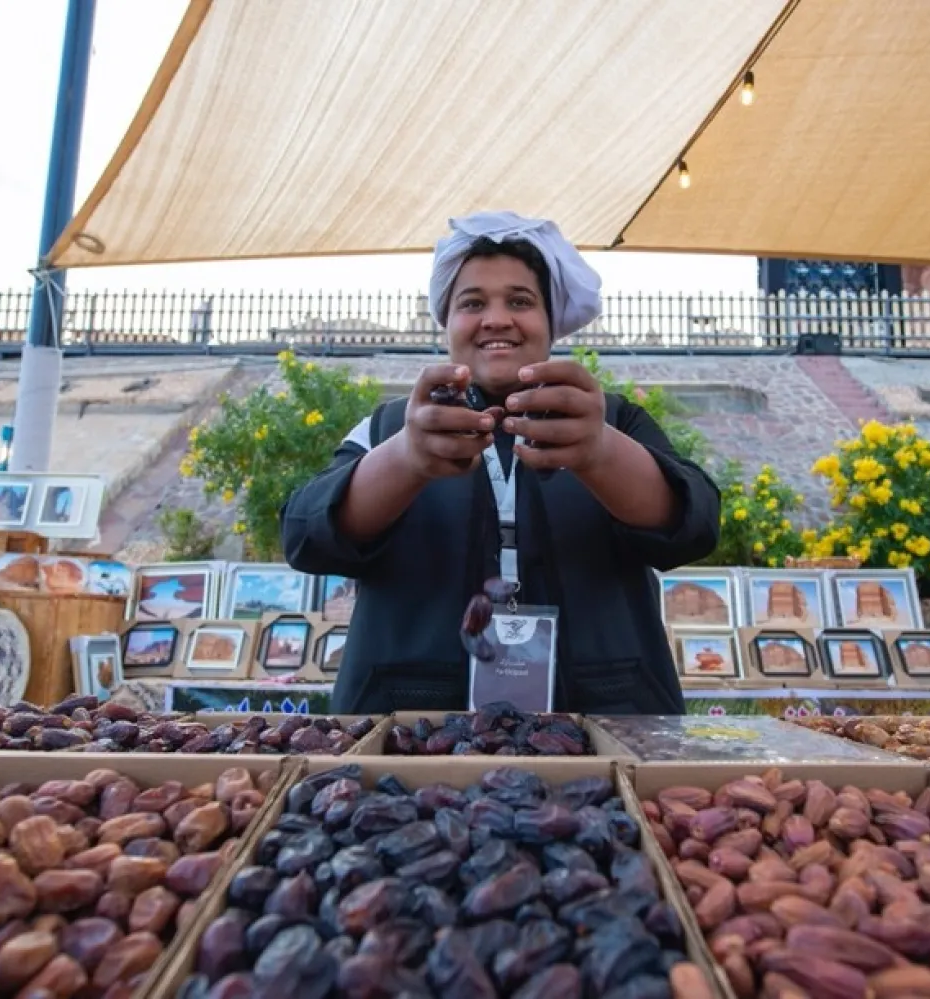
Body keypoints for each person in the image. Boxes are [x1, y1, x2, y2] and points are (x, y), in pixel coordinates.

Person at [281, 210, 720, 714]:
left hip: (607, 723)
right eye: (472, 303)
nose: (496, 319)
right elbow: (305, 536)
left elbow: (696, 525)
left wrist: (600, 452)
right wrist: (406, 458)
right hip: (410, 728)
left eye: (520, 301)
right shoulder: (387, 429)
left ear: (551, 322)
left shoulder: (615, 421)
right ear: (446, 321)